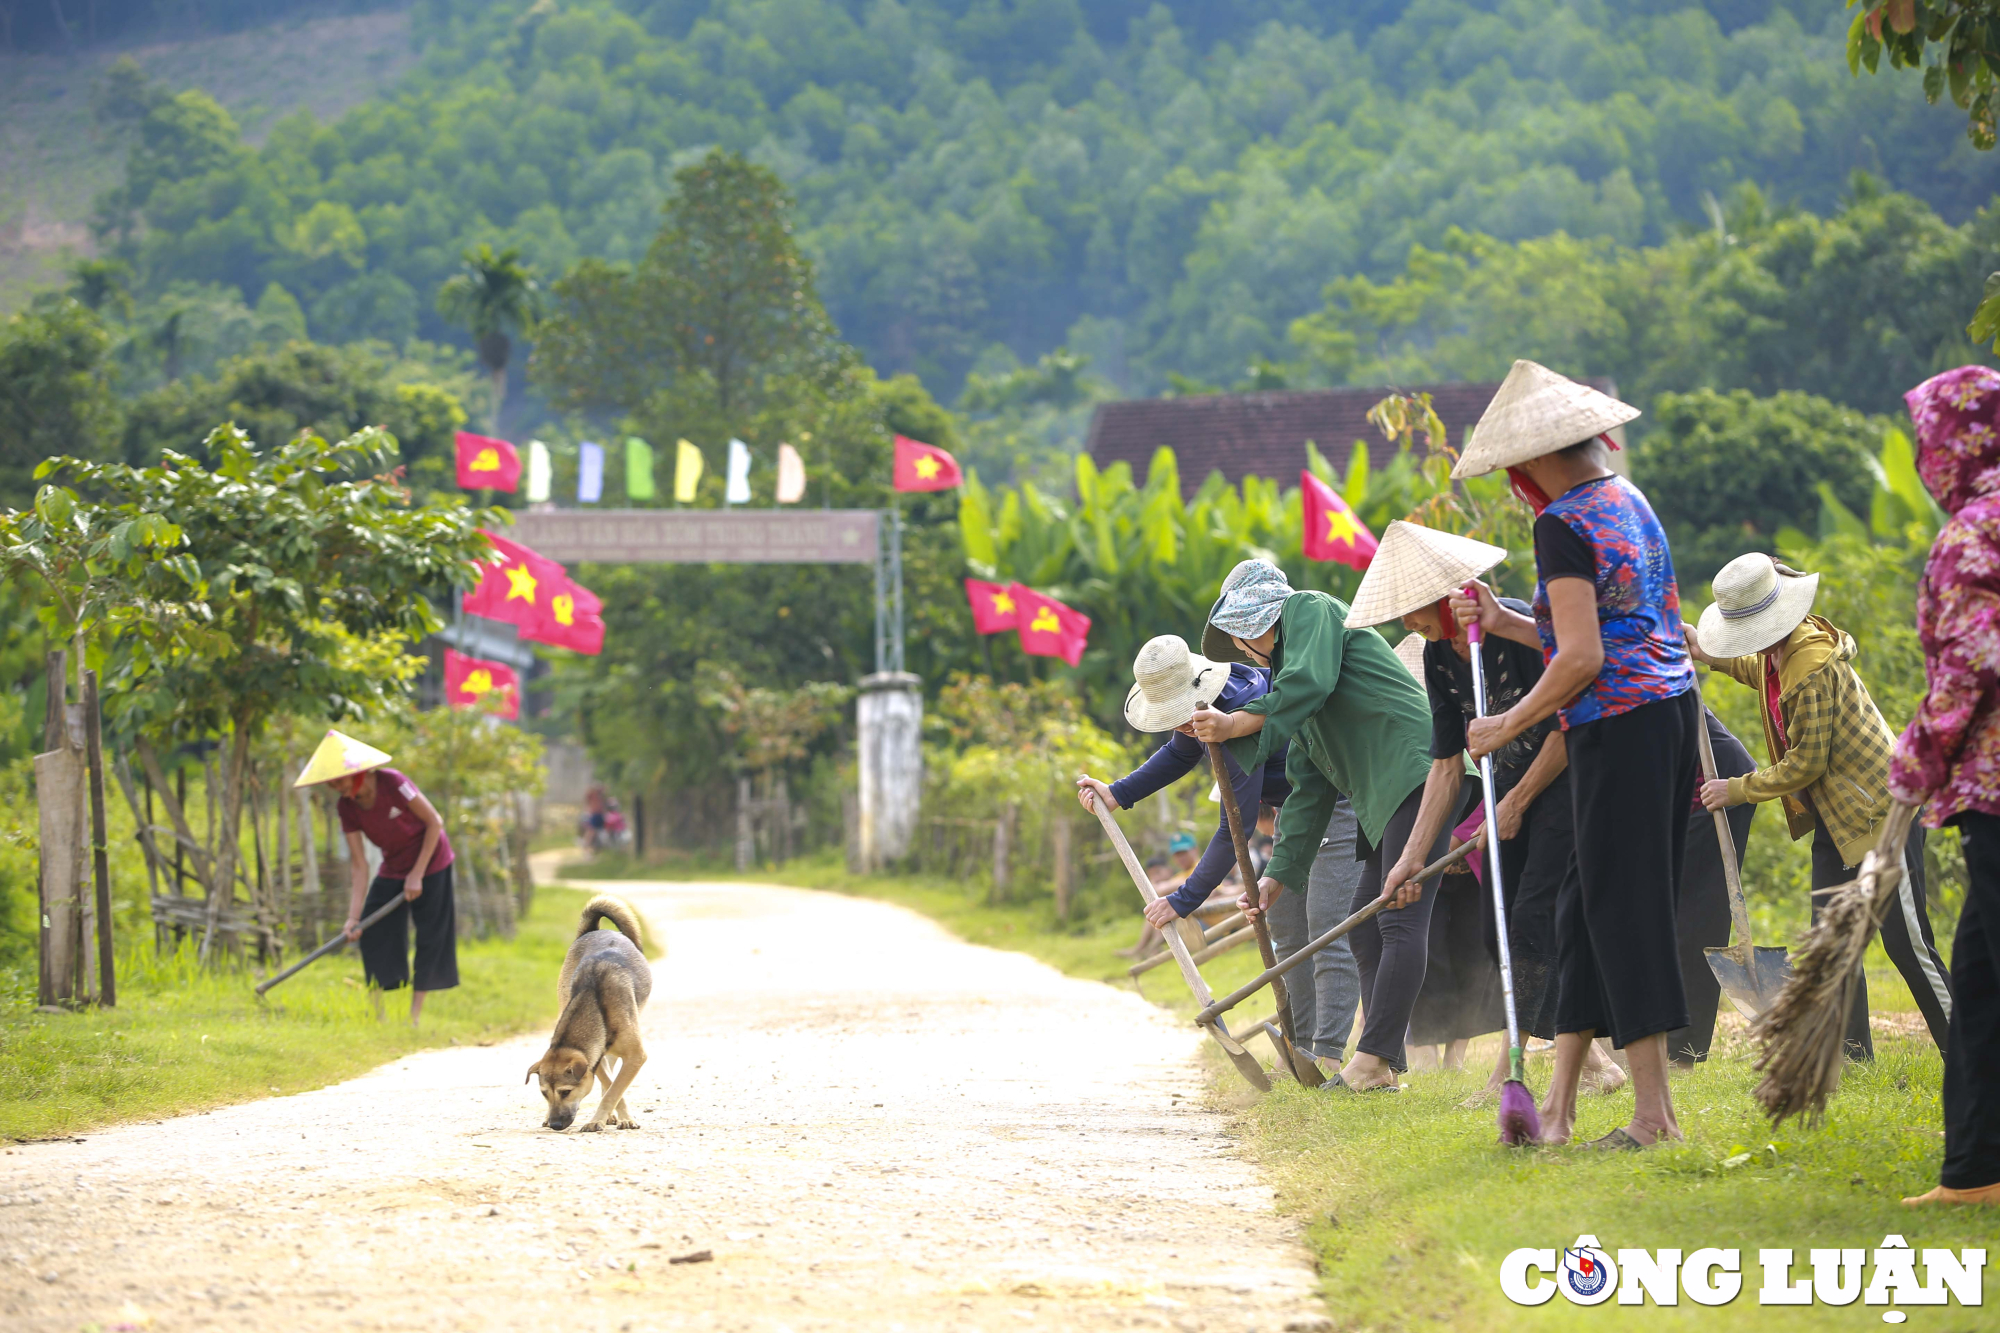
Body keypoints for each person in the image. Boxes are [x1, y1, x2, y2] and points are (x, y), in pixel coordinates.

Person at [1452, 359, 1698, 1149]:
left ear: (1533, 460)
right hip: (1663, 715)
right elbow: (1605, 629)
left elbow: (1585, 658)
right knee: (1582, 909)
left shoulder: (1559, 521)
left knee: (1623, 910)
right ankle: (1555, 1108)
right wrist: (1508, 619)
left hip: (1620, 727)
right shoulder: (1627, 499)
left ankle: (1655, 1115)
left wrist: (1505, 724)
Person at [1348, 519, 1624, 1095]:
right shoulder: (1438, 659)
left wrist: (1519, 801)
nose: (1408, 622)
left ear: (1448, 593)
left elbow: (1572, 724)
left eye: (1414, 608)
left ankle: (1507, 1077)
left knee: (1530, 922)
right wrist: (1408, 858)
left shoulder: (1520, 628)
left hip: (1570, 784)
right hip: (1510, 796)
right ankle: (1597, 1065)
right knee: (1503, 935)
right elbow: (1447, 766)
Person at [1689, 551, 1952, 1056]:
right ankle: (1853, 1056)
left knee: (1907, 944)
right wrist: (1706, 652)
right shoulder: (1779, 654)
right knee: (1831, 947)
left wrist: (1737, 787)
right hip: (1838, 820)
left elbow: (1806, 763)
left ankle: (1971, 1051)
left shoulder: (1807, 665)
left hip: (1880, 814)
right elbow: (1757, 670)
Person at [1191, 558, 1437, 1091]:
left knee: (1395, 922)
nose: (1243, 646)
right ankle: (1383, 1069)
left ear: (1258, 623)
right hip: (1381, 794)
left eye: (1244, 635)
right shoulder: (1291, 690)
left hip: (1414, 771)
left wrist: (1235, 721)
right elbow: (1308, 791)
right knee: (1365, 929)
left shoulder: (1310, 609)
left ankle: (1370, 1061)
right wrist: (1277, 877)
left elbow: (1311, 681)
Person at [1890, 365, 2000, 1207]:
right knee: (1981, 974)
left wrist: (1916, 760)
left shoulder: (1975, 530)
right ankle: (1974, 1171)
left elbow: (1968, 665)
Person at [294, 728, 457, 1026]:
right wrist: (352, 918)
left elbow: (435, 822)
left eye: (340, 779)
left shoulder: (394, 782)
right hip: (394, 867)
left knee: (430, 935)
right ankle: (377, 1014)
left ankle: (414, 1017)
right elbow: (359, 865)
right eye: (332, 782)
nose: (336, 787)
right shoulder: (346, 807)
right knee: (373, 932)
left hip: (432, 863)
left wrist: (417, 875)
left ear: (359, 773)